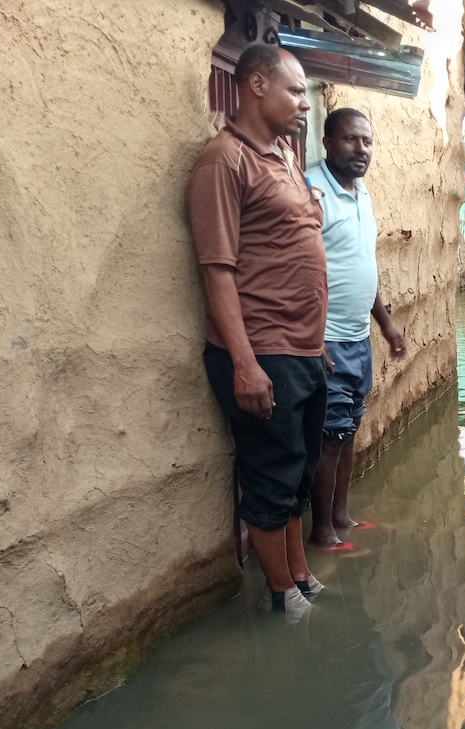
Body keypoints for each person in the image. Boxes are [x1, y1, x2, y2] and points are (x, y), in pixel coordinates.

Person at [186, 44, 327, 617]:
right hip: (261, 350)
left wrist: (318, 351)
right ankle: (282, 599)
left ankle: (299, 576)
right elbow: (217, 271)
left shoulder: (286, 155)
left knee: (296, 471)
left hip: (303, 351)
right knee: (270, 475)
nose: (304, 105)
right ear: (257, 85)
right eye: (295, 91)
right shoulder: (224, 161)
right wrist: (245, 364)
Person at [305, 108, 407, 548]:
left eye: (367, 141)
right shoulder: (311, 191)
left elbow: (362, 268)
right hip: (324, 339)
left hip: (357, 339)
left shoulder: (361, 193)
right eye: (350, 140)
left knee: (348, 431)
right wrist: (311, 336)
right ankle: (322, 530)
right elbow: (298, 270)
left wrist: (385, 326)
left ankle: (341, 515)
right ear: (327, 142)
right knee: (330, 436)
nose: (360, 149)